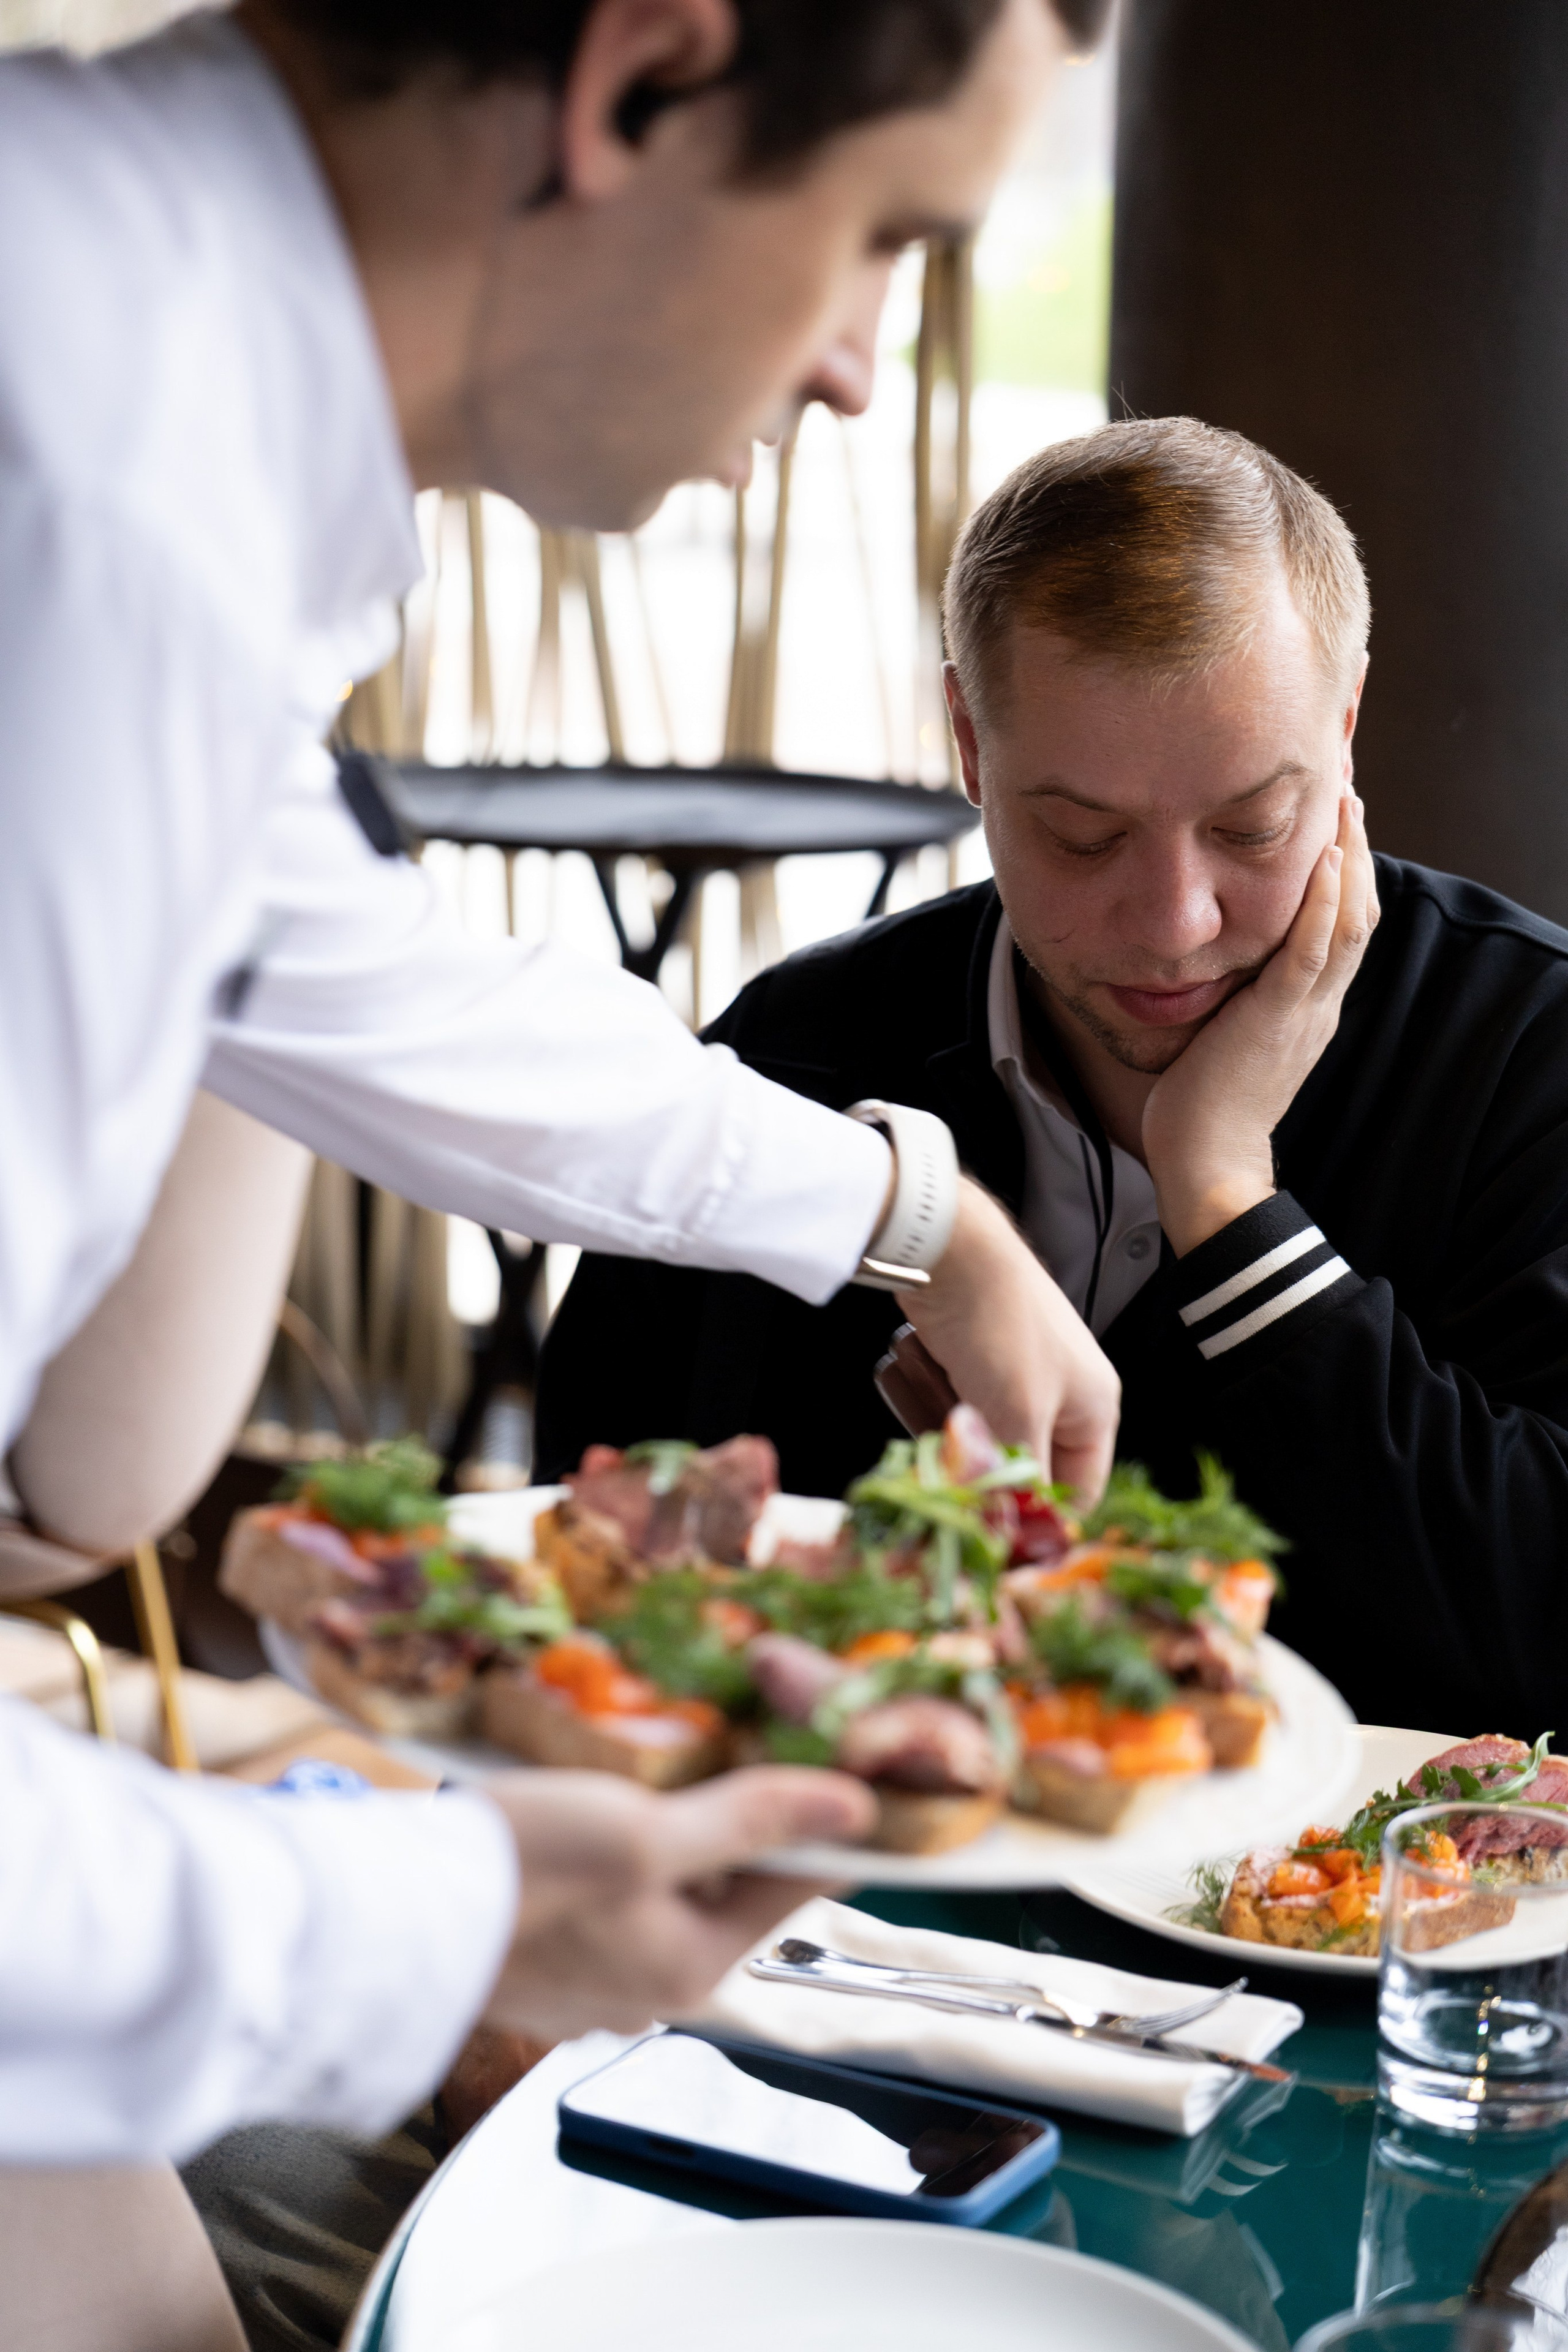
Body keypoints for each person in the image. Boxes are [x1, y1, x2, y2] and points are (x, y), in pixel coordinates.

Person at [0, 0, 1117, 2174]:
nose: (861, 367)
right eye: (882, 234)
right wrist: (454, 1912)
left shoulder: (135, 371)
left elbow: (366, 978)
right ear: (641, 78)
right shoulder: (91, 511)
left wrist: (926, 1224)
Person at [540, 413, 1568, 1743]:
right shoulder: (798, 1058)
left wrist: (1227, 1207)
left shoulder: (1527, 1054)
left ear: (1349, 722)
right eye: (1082, 836)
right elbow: (595, 1564)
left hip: (1367, 1929)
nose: (1174, 919)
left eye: (1249, 824)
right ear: (969, 745)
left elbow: (1541, 1632)